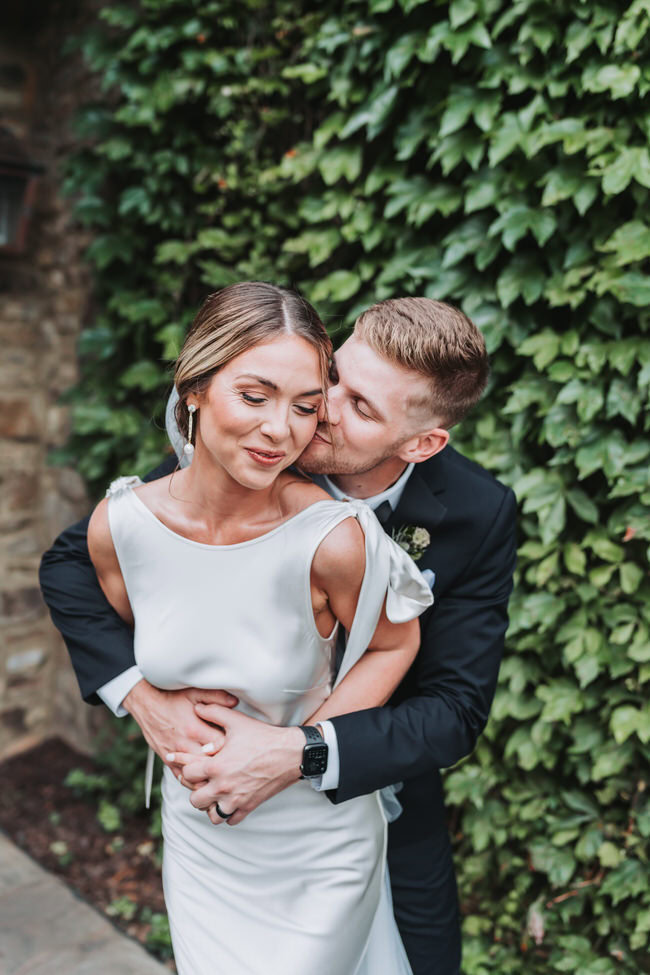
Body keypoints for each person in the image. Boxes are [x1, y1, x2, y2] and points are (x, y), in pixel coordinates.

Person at [40, 293, 517, 975]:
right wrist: (146, 700)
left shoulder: (477, 512)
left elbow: (453, 708)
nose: (318, 410)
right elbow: (80, 559)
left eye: (360, 406)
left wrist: (301, 753)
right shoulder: (266, 441)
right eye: (334, 378)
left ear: (422, 443)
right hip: (221, 825)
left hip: (374, 799)